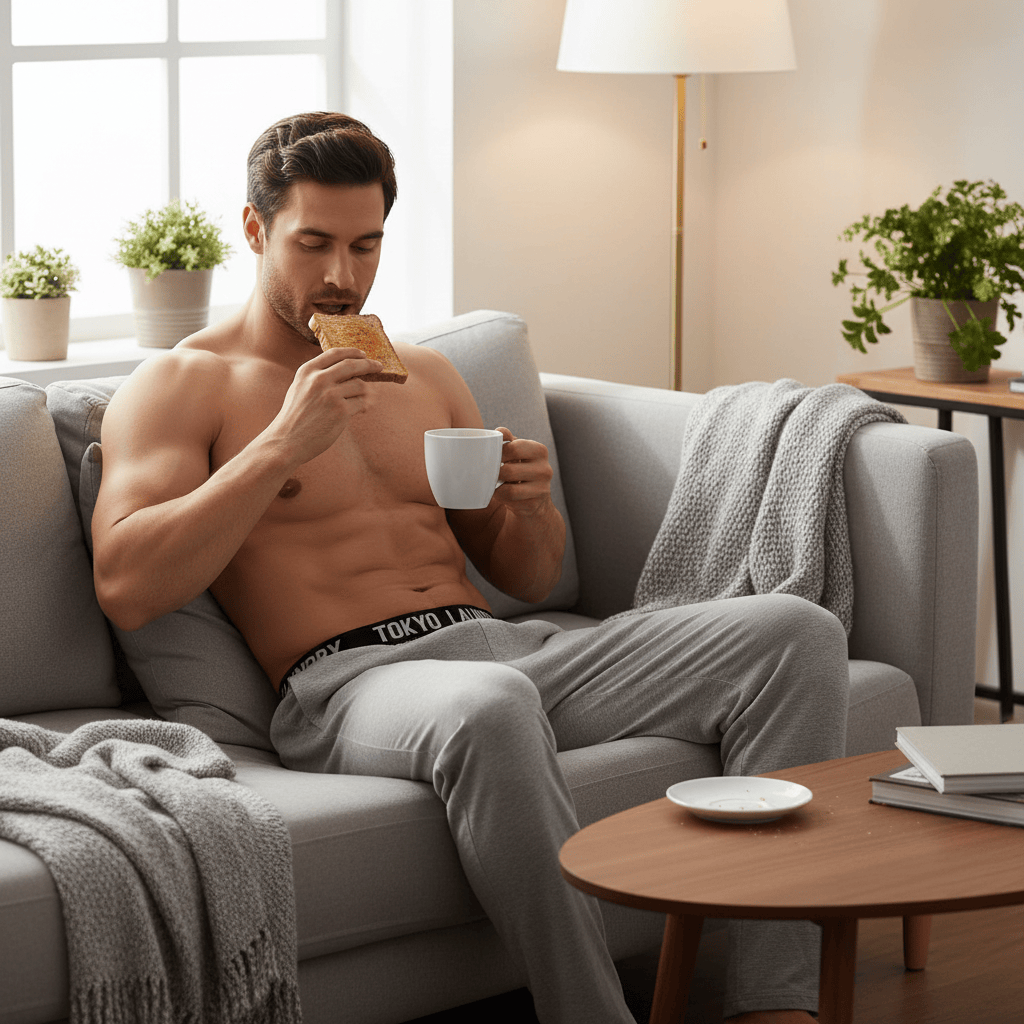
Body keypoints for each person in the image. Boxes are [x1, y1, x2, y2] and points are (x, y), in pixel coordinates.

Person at [91, 111, 848, 1024]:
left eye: (366, 246)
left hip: (505, 646)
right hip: (353, 685)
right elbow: (128, 585)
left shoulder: (425, 375)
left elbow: (527, 575)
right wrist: (281, 447)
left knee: (795, 633)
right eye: (313, 243)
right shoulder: (183, 384)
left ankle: (775, 1005)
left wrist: (529, 507)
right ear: (255, 231)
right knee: (489, 705)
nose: (342, 276)